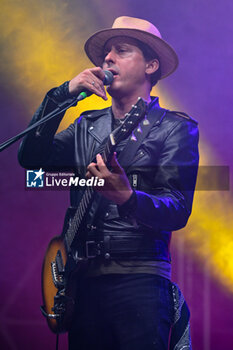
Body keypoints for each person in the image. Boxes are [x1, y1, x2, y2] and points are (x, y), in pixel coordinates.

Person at [18, 16, 199, 350]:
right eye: (106, 53)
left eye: (122, 50)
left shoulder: (174, 129)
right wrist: (62, 95)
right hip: (82, 283)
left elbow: (177, 209)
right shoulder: (87, 125)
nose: (108, 59)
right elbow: (30, 159)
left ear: (150, 65)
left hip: (140, 280)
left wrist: (128, 198)